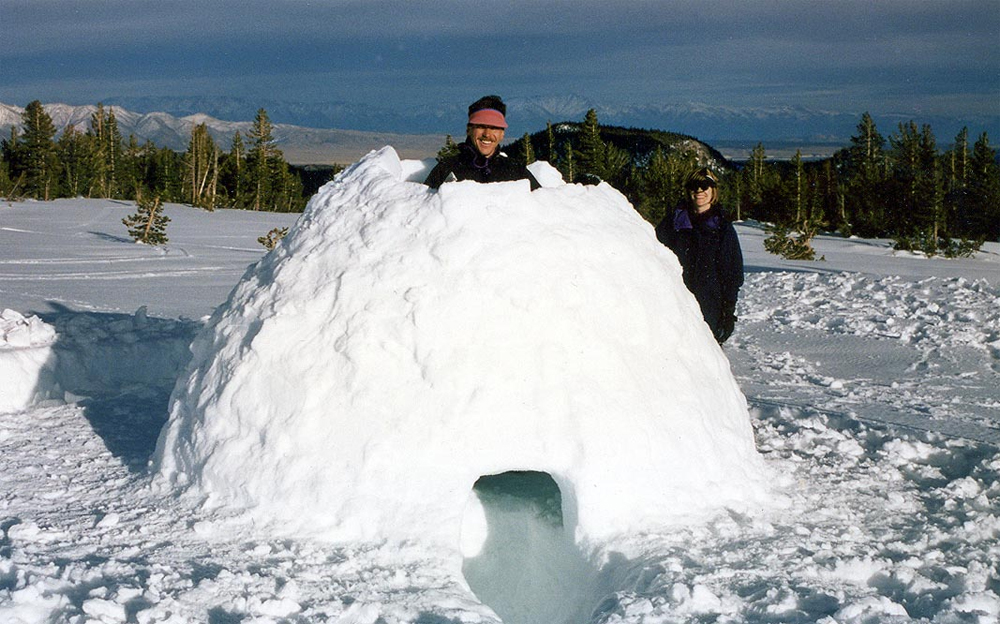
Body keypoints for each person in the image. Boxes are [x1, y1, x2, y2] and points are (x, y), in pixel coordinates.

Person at [655, 167, 744, 344]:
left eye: (705, 185)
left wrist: (728, 312)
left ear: (713, 191)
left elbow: (732, 274)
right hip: (676, 301)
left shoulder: (722, 228)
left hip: (710, 305)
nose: (699, 190)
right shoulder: (673, 223)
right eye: (694, 185)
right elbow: (653, 255)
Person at [424, 95, 540, 190]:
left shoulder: (516, 170)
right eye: (480, 126)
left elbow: (544, 207)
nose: (487, 134)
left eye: (494, 128)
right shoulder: (447, 168)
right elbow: (423, 209)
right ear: (469, 130)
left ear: (502, 134)